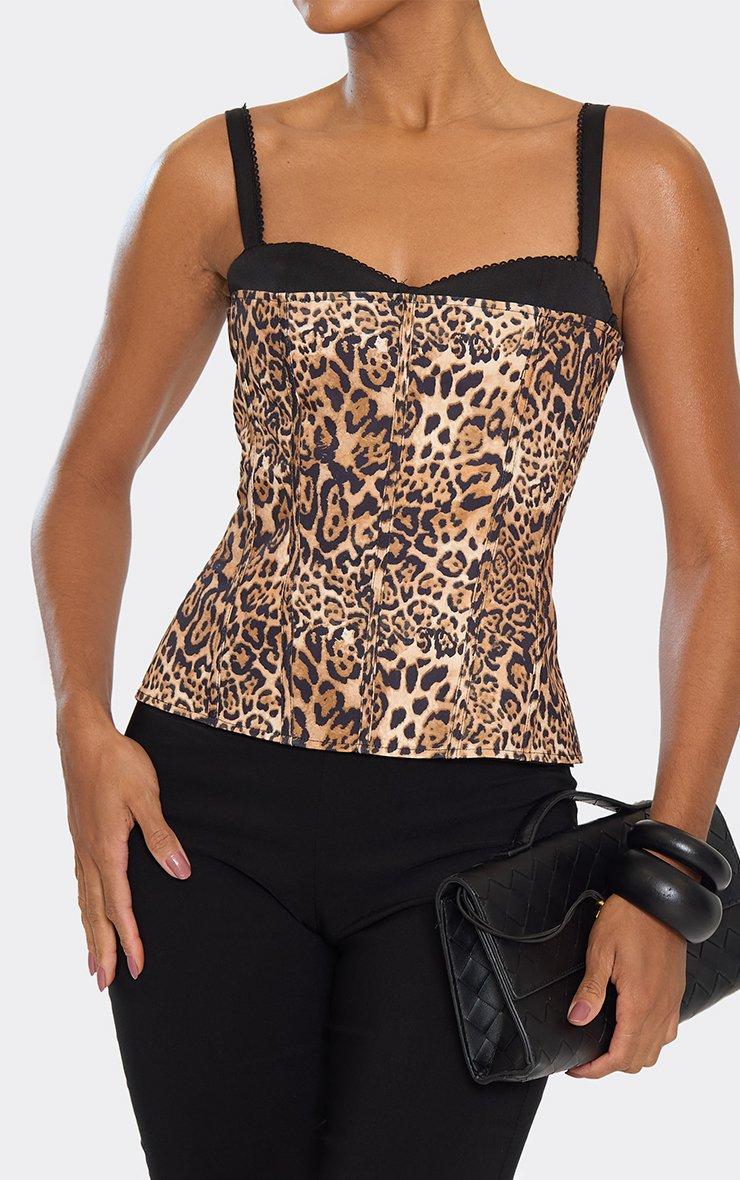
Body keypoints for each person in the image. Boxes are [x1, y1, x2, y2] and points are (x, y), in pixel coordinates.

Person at [32, 1, 739, 1177]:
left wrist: (669, 871)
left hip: (478, 836)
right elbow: (86, 480)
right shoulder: (223, 168)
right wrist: (81, 725)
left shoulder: (628, 177)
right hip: (204, 809)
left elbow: (714, 549)